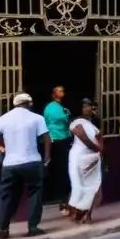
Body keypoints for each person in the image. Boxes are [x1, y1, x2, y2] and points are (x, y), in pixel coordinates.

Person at [0, 93, 51, 239]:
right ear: (29, 103)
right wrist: (47, 158)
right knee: (35, 192)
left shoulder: (3, 119)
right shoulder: (37, 118)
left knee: (6, 196)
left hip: (10, 164)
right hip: (32, 161)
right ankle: (33, 227)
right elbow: (47, 138)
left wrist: (2, 148)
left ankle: (2, 230)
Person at [67, 98, 103, 223]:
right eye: (85, 106)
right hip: (80, 158)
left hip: (93, 158)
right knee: (80, 186)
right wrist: (95, 147)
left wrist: (100, 151)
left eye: (89, 106)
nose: (88, 108)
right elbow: (81, 135)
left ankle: (87, 215)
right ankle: (77, 212)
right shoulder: (75, 122)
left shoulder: (95, 121)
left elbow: (99, 136)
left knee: (94, 187)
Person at [42, 85, 72, 213]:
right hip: (55, 140)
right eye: (59, 90)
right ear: (54, 94)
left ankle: (64, 196)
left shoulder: (61, 107)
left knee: (64, 168)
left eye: (62, 90)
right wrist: (66, 115)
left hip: (64, 138)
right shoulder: (51, 108)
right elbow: (62, 120)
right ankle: (59, 196)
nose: (62, 92)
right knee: (59, 168)